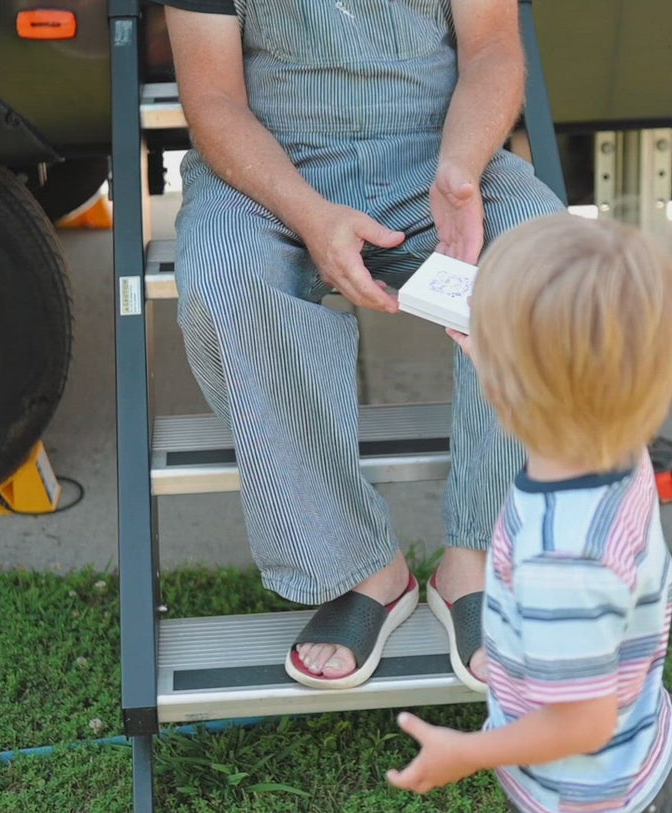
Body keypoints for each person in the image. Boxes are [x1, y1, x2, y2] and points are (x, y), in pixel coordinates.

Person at [157, 0, 566, 689]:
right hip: (273, 167)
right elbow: (214, 100)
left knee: (545, 267)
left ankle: (478, 556)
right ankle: (361, 568)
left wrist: (459, 174)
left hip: (436, 150)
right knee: (225, 278)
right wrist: (310, 218)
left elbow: (493, 50)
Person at [386, 213, 672, 813]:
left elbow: (582, 724)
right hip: (643, 750)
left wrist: (466, 751)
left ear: (514, 386)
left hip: (590, 795)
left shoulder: (564, 559)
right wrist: (502, 363)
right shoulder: (617, 445)